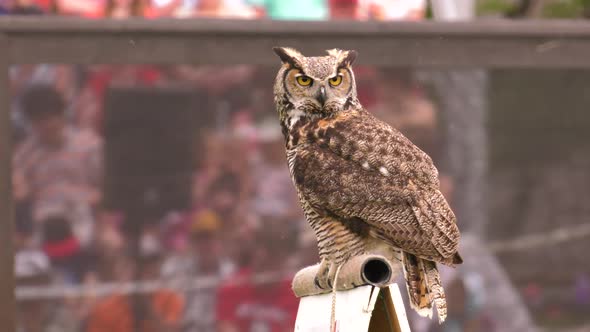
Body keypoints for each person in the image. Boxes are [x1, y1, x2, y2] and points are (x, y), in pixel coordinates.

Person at [13, 84, 102, 248]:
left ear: (61, 115)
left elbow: (105, 188)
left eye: (49, 117)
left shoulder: (89, 144)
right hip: (43, 221)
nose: (46, 125)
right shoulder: (24, 155)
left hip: (84, 213)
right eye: (38, 120)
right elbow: (21, 196)